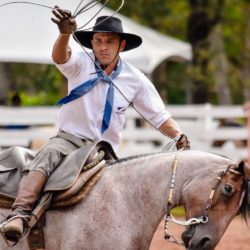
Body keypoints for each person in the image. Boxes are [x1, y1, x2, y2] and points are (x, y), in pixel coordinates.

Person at [0, 6, 190, 243]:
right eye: (98, 41)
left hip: (104, 151)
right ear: (91, 43)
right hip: (69, 140)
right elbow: (60, 57)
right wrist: (65, 34)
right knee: (48, 154)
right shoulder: (80, 63)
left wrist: (179, 135)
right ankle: (20, 213)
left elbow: (159, 116)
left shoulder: (135, 79)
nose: (102, 46)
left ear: (121, 45)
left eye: (109, 41)